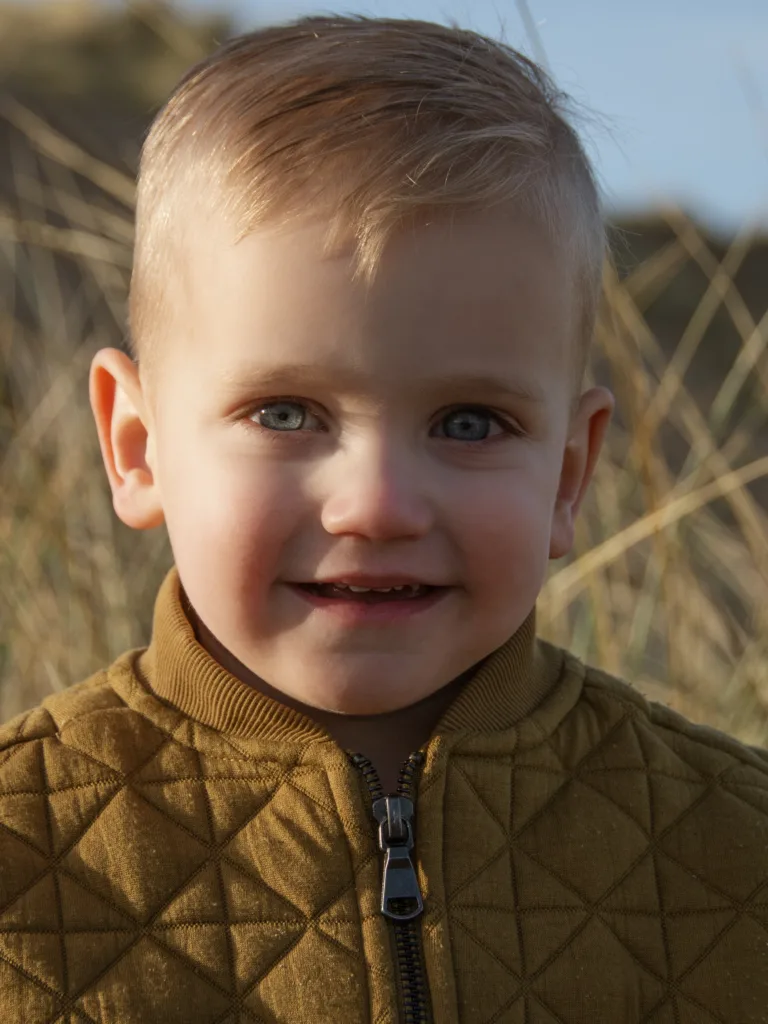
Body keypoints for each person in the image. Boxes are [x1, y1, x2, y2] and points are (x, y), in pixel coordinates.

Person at [1, 14, 767, 1023]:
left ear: (570, 475)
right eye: (284, 413)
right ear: (136, 446)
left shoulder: (735, 850)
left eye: (468, 421)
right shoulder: (24, 854)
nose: (376, 504)